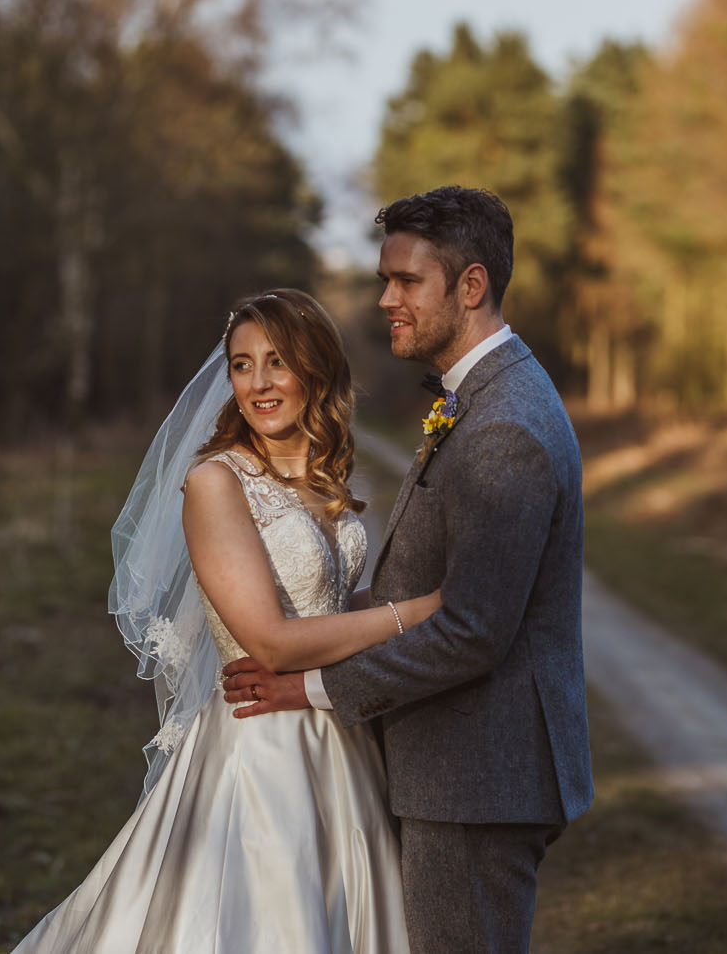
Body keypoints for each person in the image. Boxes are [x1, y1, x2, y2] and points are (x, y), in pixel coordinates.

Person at [223, 186, 594, 954]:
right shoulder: (481, 398)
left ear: (471, 285)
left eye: (405, 280)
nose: (385, 297)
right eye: (385, 278)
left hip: (477, 775)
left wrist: (313, 686)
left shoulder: (503, 427)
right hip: (465, 769)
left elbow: (471, 630)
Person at [10, 288, 436, 954]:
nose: (258, 382)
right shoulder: (216, 482)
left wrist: (395, 607)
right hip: (261, 752)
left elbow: (327, 610)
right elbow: (268, 640)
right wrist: (416, 612)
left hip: (341, 738)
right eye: (242, 363)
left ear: (316, 370)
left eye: (277, 361)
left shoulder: (325, 480)